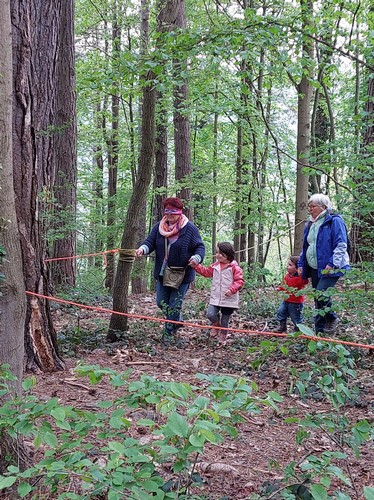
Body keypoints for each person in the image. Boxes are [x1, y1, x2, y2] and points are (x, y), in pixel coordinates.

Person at [135, 197, 205, 346]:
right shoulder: (158, 228)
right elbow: (150, 242)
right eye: (167, 211)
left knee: (174, 305)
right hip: (162, 273)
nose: (170, 215)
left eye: (173, 212)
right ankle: (177, 321)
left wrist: (196, 258)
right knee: (161, 302)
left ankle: (168, 333)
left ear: (180, 212)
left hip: (182, 274)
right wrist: (142, 249)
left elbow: (200, 247)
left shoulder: (190, 229)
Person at [298, 193, 350, 334]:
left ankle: (332, 318)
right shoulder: (310, 224)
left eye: (313, 206)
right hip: (315, 266)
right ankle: (320, 331)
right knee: (317, 298)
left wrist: (332, 263)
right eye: (309, 206)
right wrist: (301, 264)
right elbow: (307, 246)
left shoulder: (334, 221)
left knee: (321, 293)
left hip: (330, 266)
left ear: (323, 207)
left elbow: (341, 244)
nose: (310, 209)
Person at [189, 242, 244, 345]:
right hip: (215, 297)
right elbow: (206, 272)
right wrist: (196, 266)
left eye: (221, 253)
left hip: (228, 299)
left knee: (225, 319)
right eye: (217, 252)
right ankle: (215, 323)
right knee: (210, 314)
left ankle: (223, 337)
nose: (218, 255)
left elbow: (239, 281)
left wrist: (232, 290)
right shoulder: (215, 266)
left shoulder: (234, 268)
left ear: (228, 254)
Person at [275, 256, 309, 333]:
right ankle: (282, 326)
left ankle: (299, 329)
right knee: (281, 311)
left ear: (297, 268)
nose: (287, 266)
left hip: (296, 302)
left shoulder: (300, 277)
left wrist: (301, 273)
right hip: (286, 300)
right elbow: (284, 285)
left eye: (290, 265)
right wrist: (280, 288)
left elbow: (305, 281)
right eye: (288, 264)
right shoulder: (287, 276)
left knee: (295, 316)